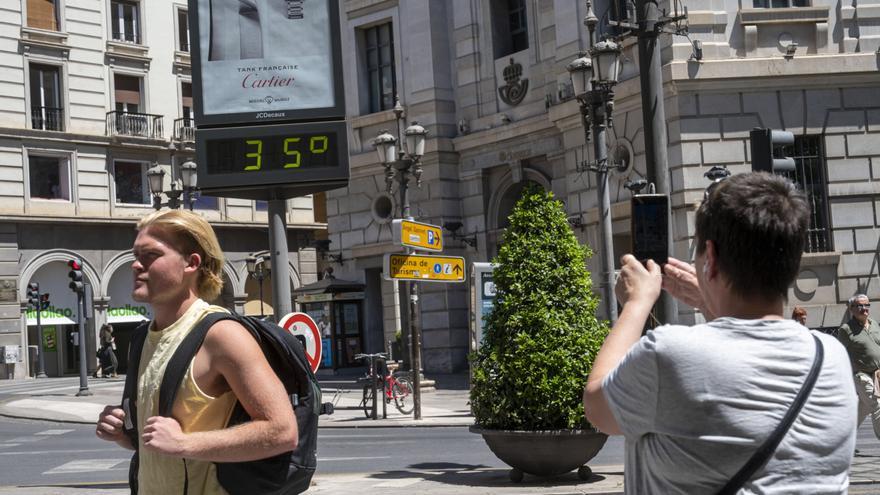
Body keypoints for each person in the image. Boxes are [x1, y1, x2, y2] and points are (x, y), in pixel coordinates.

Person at [583, 172, 857, 493]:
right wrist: (706, 297)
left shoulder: (669, 353)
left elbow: (597, 407)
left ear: (710, 256)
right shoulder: (833, 358)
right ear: (794, 262)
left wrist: (636, 304)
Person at [95, 209, 297, 494]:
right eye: (135, 255)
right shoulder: (143, 337)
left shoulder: (221, 335)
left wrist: (183, 444)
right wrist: (121, 433)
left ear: (191, 263)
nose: (136, 266)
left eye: (150, 255)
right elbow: (157, 442)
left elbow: (281, 432)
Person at [836, 294, 880, 440]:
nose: (864, 308)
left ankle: (843, 438)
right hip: (860, 375)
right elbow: (839, 353)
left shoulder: (874, 324)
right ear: (852, 309)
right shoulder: (846, 329)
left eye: (867, 305)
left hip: (877, 374)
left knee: (864, 408)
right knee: (876, 404)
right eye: (860, 306)